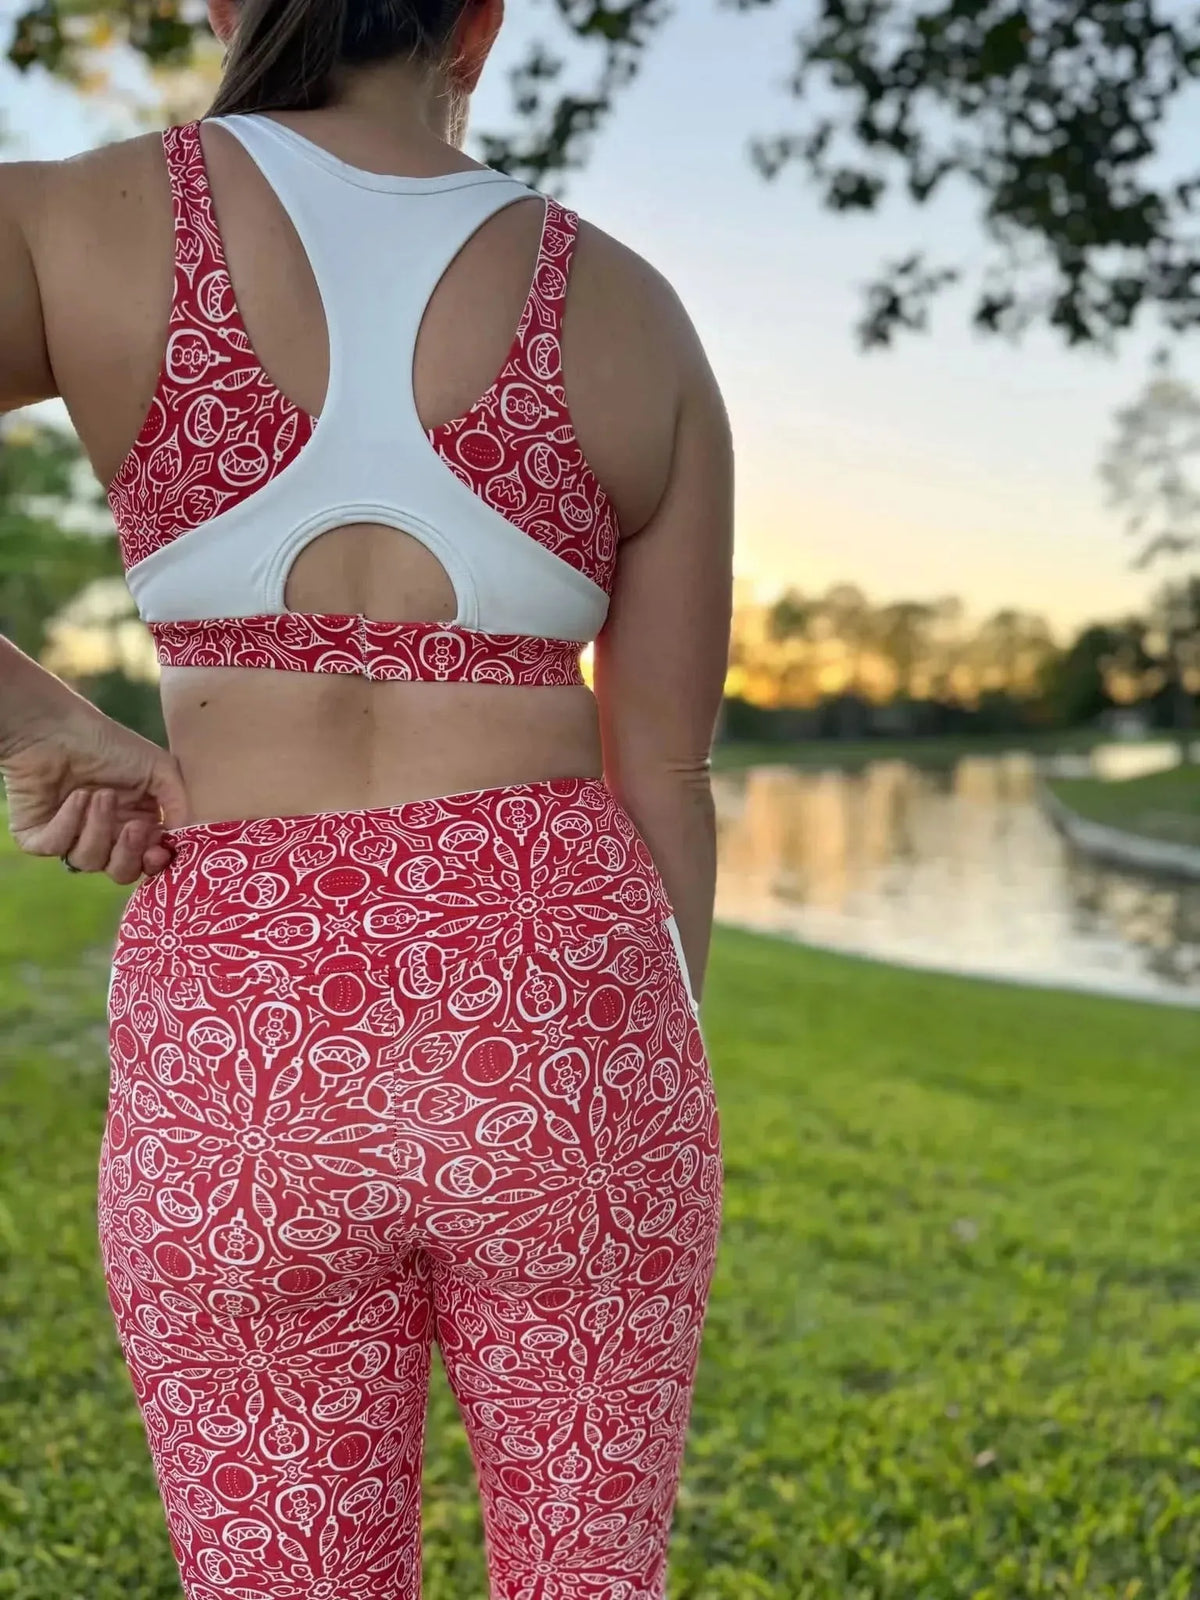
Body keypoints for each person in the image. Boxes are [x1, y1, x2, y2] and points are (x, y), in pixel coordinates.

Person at [0, 0, 733, 1594]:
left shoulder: (73, 224)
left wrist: (36, 721)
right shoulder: (633, 311)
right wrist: (635, 1086)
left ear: (227, 7)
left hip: (241, 1039)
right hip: (569, 1019)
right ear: (481, 21)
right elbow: (667, 773)